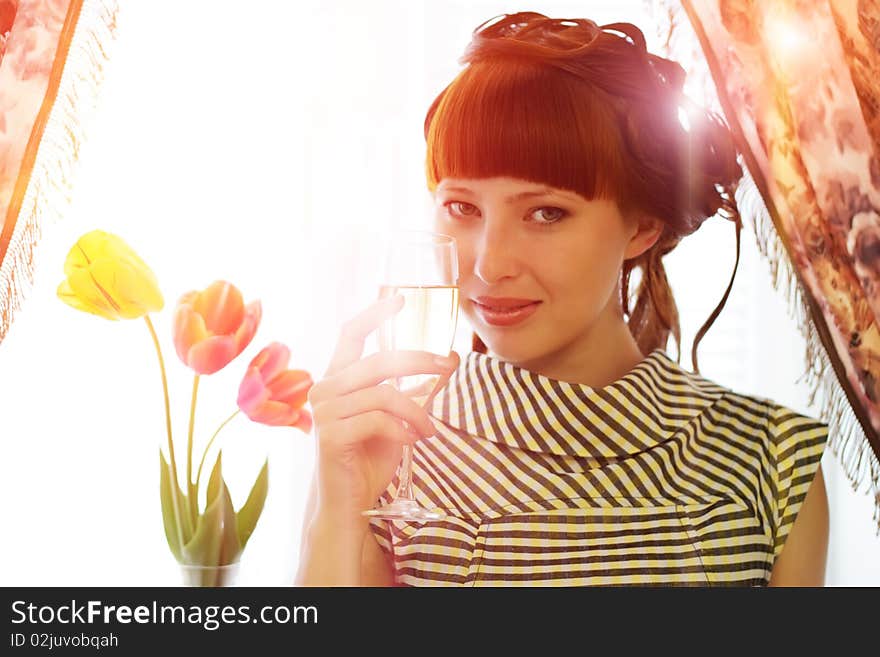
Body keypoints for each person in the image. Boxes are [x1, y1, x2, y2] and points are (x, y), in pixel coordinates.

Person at [296, 11, 829, 586]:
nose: (488, 263)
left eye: (546, 213)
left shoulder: (769, 460)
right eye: (462, 208)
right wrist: (340, 511)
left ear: (642, 227)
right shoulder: (384, 443)